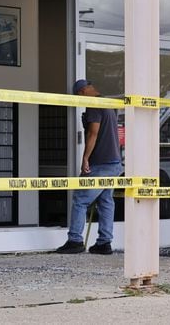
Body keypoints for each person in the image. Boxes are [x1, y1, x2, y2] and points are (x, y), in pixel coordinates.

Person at [56, 79, 122, 255]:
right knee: (106, 201)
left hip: (100, 163)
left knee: (80, 199)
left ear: (83, 92)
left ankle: (75, 240)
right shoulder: (107, 103)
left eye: (79, 97)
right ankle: (104, 242)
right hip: (114, 162)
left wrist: (85, 158)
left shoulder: (93, 105)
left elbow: (93, 134)